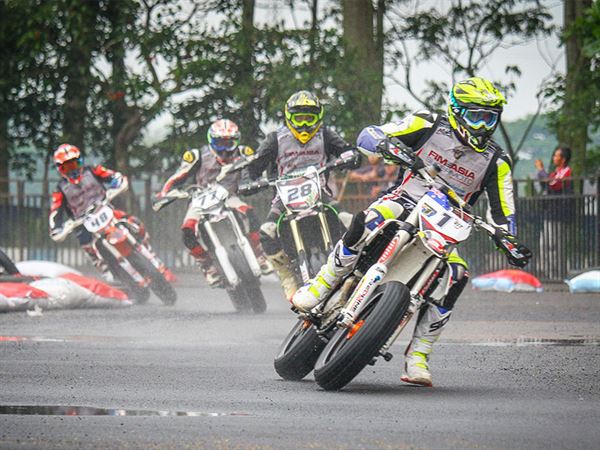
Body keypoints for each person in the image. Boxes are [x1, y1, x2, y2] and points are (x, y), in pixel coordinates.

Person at [293, 77, 530, 387]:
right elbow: (370, 135)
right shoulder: (429, 124)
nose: (483, 126)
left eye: (490, 118)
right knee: (368, 221)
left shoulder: (498, 162)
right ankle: (322, 284)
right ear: (457, 112)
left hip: (445, 225)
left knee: (458, 275)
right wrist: (387, 145)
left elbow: (504, 215)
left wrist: (508, 240)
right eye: (476, 117)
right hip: (406, 201)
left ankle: (419, 354)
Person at [247, 90, 360, 300]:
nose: (305, 124)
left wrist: (351, 156)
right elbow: (254, 166)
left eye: (310, 118)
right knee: (267, 231)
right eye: (300, 119)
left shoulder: (325, 135)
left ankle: (358, 268)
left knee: (350, 221)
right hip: (284, 198)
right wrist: (251, 181)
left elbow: (346, 150)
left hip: (320, 193)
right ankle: (286, 276)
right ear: (289, 118)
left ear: (318, 117)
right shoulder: (275, 139)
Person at [157, 119, 271, 287]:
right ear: (211, 140)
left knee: (249, 212)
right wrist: (164, 193)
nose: (224, 149)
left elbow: (255, 171)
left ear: (236, 141)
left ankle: (259, 255)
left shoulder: (244, 152)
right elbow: (178, 176)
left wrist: (259, 181)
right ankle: (207, 266)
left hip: (229, 196)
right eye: (220, 143)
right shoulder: (197, 155)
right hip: (200, 200)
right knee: (187, 230)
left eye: (229, 143)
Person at [49, 144, 172, 282]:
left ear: (80, 161)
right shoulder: (60, 190)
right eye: (67, 167)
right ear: (61, 169)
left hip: (105, 210)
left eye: (74, 164)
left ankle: (155, 259)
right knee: (90, 249)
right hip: (83, 224)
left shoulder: (93, 170)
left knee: (134, 224)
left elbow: (114, 176)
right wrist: (57, 228)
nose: (72, 169)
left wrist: (117, 184)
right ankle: (108, 274)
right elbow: (55, 212)